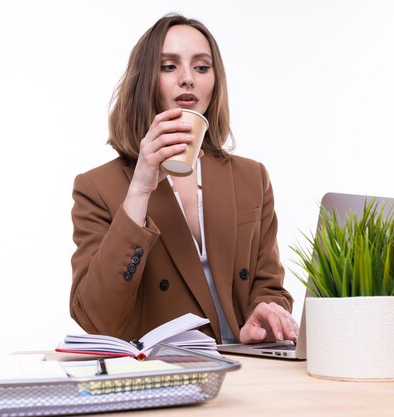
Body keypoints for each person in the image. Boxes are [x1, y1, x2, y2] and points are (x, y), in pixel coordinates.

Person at [69, 13, 297, 345]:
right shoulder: (97, 188)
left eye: (202, 67)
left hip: (246, 365)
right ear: (145, 80)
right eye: (169, 66)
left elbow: (269, 285)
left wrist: (265, 312)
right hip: (161, 375)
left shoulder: (251, 177)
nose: (187, 79)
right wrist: (141, 187)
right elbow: (96, 318)